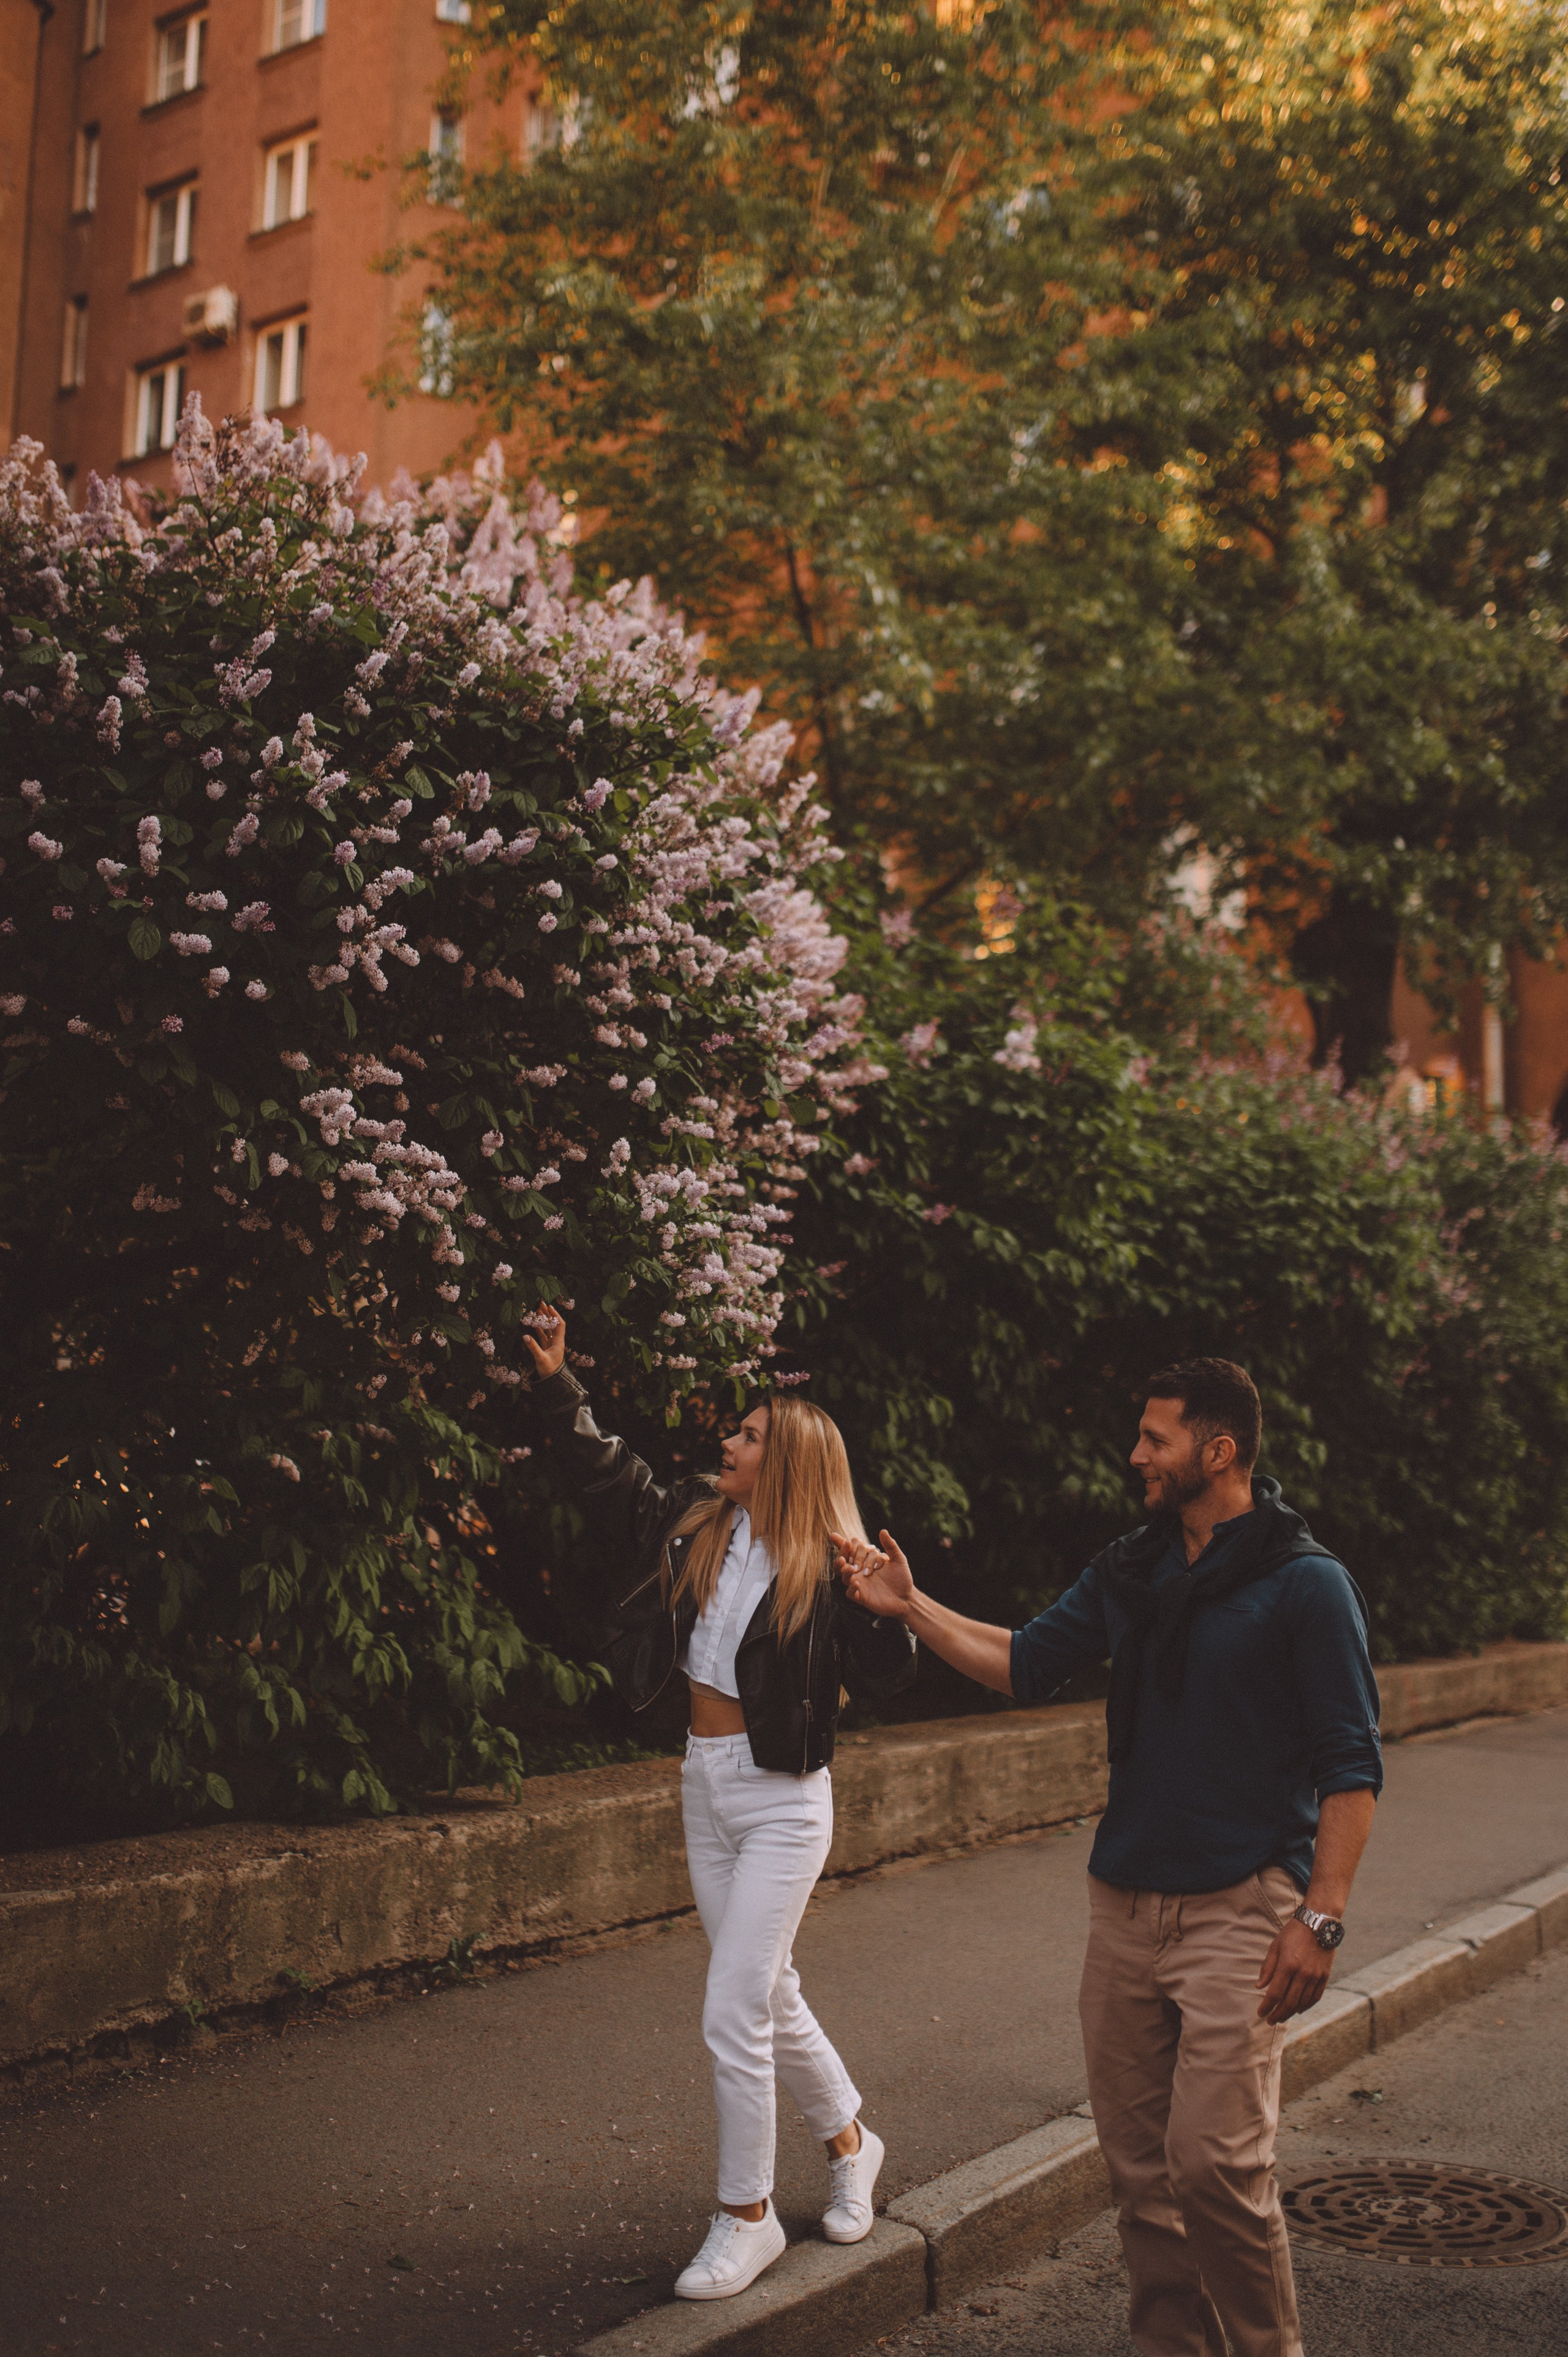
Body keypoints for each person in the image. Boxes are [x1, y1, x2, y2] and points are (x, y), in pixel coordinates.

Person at [832, 1358, 1382, 2357]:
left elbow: (1352, 1767)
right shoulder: (1133, 1568)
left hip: (1243, 1907)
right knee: (1141, 2176)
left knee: (1217, 2165)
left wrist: (1321, 1915)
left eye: (1155, 1439)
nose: (1136, 1455)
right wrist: (911, 1607)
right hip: (1125, 1905)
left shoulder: (1308, 1586)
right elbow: (1028, 1661)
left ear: (1217, 1452)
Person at [523, 1308, 916, 2301]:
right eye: (735, 1434)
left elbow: (890, 1679)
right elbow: (616, 1481)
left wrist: (893, 1610)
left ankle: (746, 2218)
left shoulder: (830, 1564)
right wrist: (560, 1381)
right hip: (705, 1786)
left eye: (746, 1436)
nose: (728, 1443)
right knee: (769, 1992)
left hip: (785, 1802)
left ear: (784, 1461)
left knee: (734, 2003)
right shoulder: (704, 1516)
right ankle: (852, 2143)